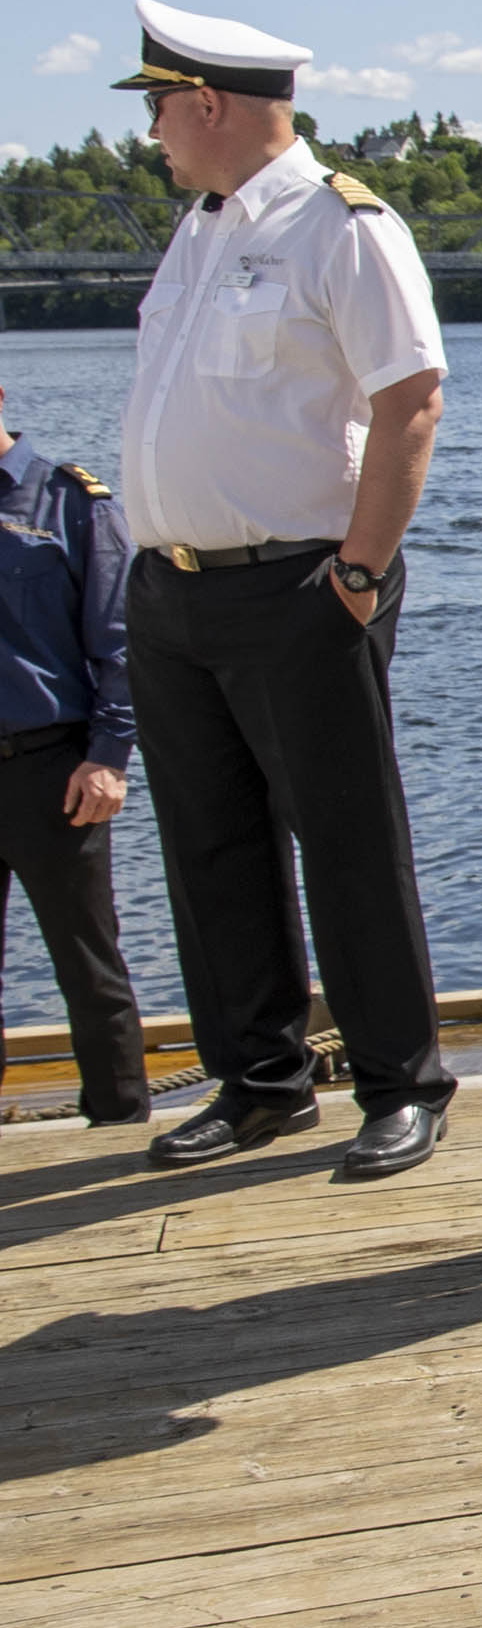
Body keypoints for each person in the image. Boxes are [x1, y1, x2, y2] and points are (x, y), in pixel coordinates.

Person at [109, 0, 456, 1181]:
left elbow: (412, 398)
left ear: (206, 101)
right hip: (173, 593)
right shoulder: (199, 230)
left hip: (301, 585)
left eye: (156, 106)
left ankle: (400, 1083)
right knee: (209, 848)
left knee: (346, 840)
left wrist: (358, 570)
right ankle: (259, 1082)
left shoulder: (340, 226)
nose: (152, 132)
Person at [0, 383, 149, 1126]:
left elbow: (124, 646)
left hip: (52, 770)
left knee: (87, 963)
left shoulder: (71, 503)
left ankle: (117, 1123)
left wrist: (110, 755)